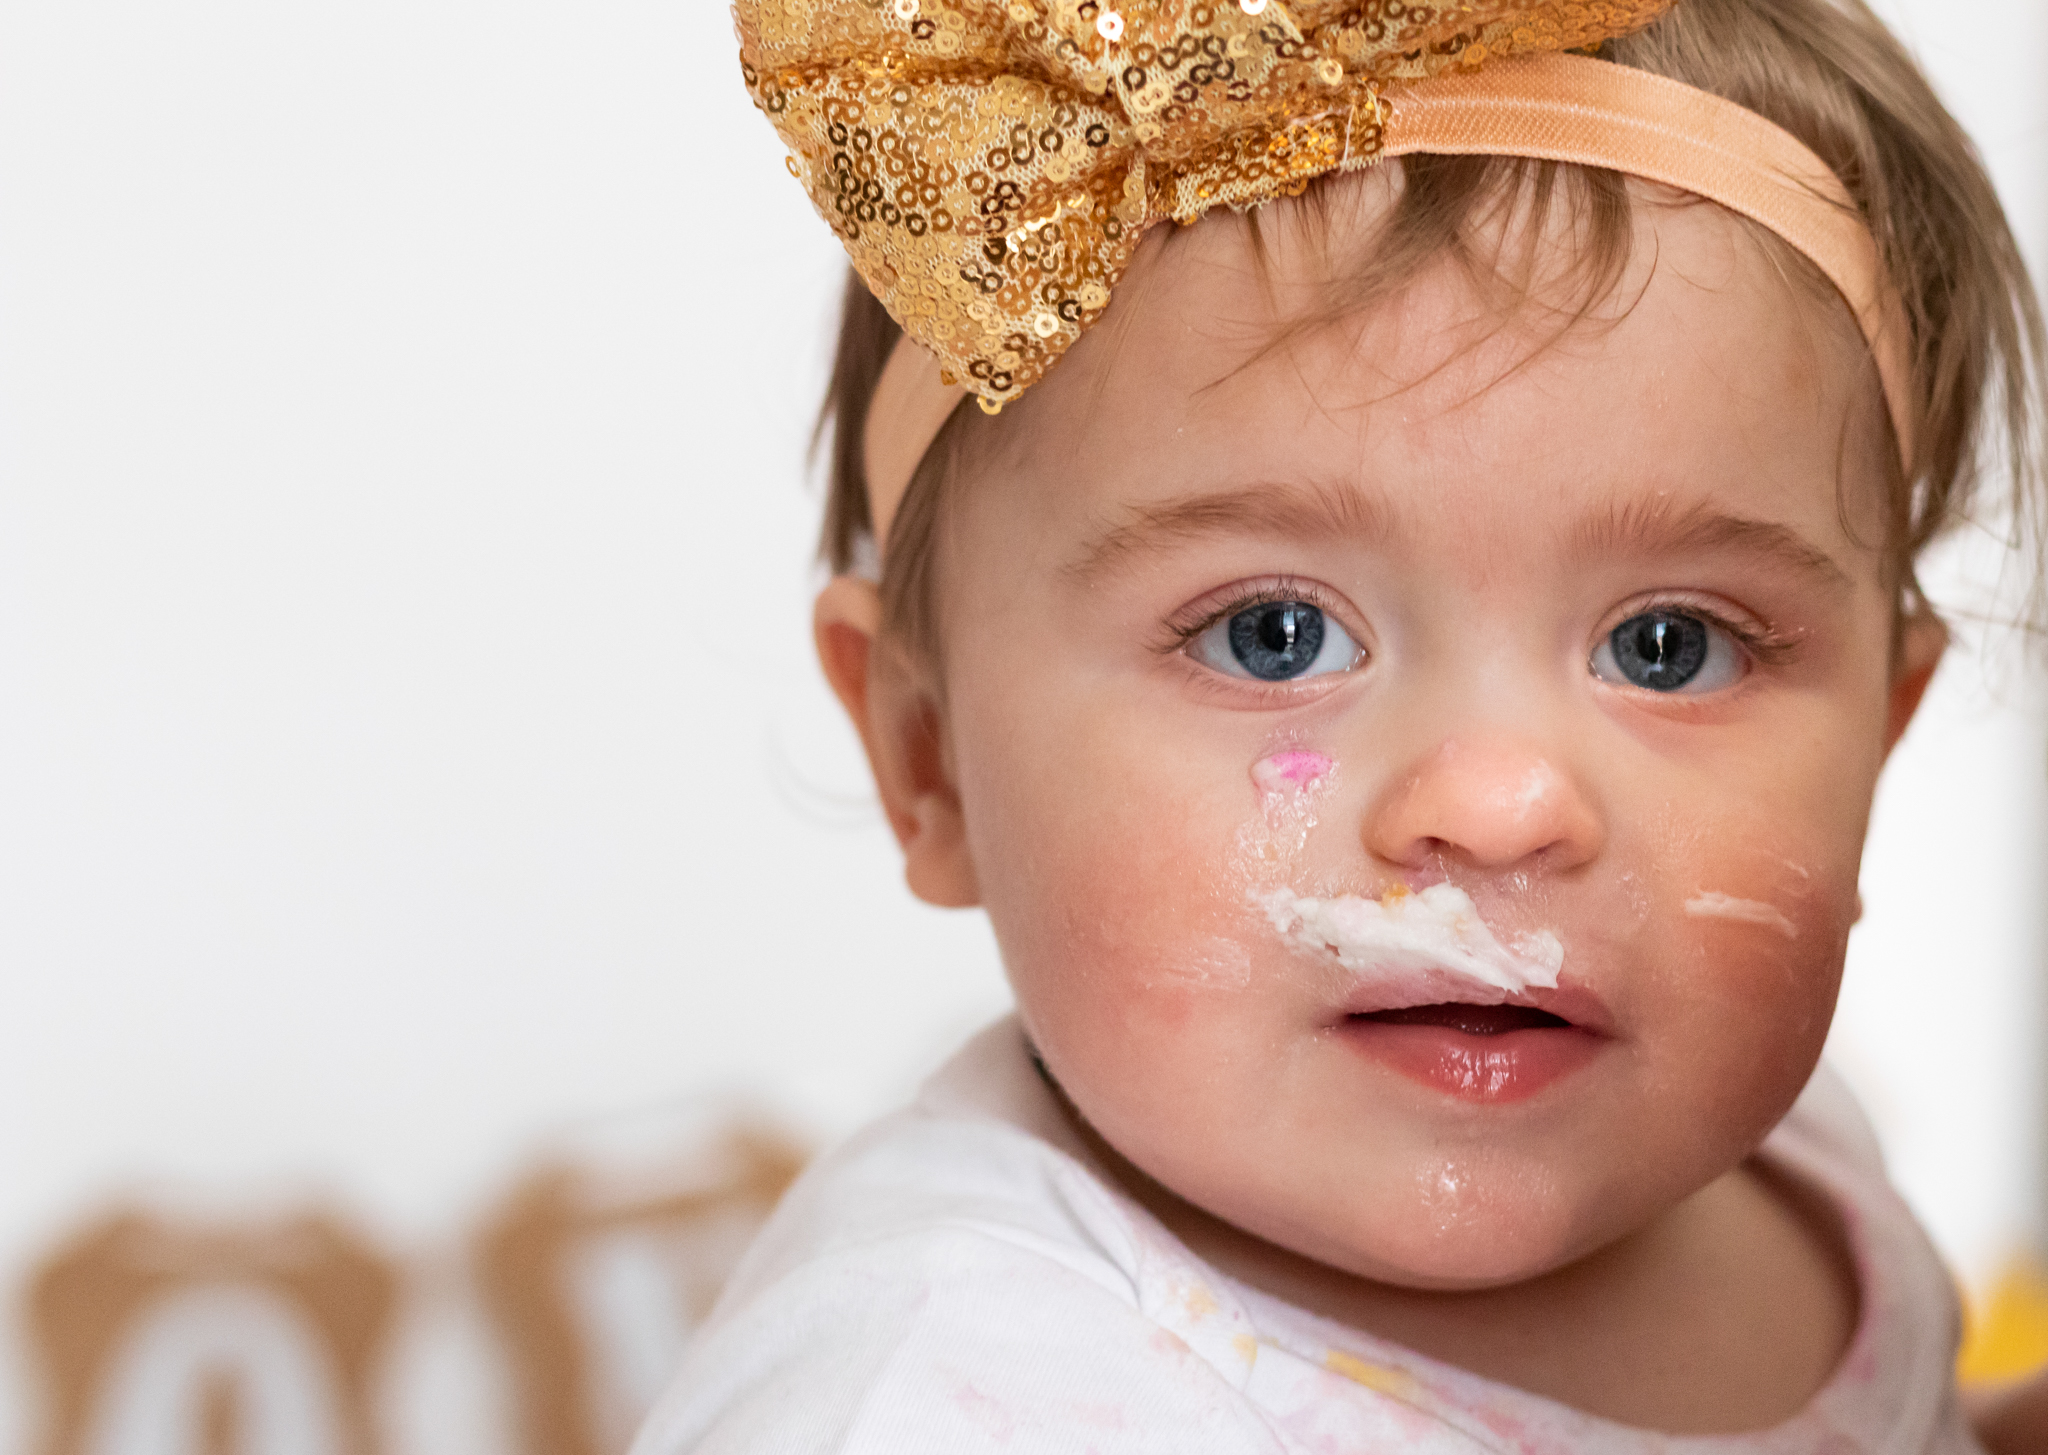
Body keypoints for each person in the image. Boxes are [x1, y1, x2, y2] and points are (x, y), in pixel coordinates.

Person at [637, 0, 2048, 1448]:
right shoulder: (945, 1399)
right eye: (1277, 635)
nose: (1501, 803)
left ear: (1880, 745)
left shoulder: (1798, 1174)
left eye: (1668, 647)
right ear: (924, 756)